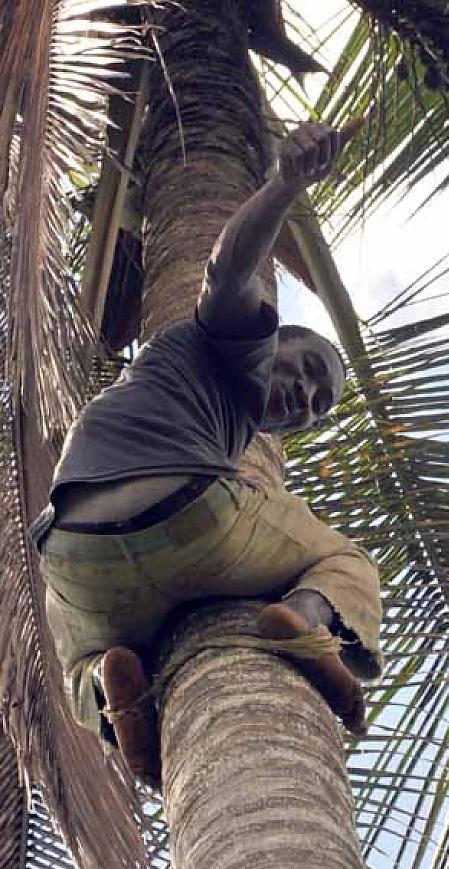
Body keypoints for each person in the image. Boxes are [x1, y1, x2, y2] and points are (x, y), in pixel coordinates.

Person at [31, 119, 381, 789]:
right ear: (274, 342)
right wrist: (285, 184)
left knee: (78, 659)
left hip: (76, 557)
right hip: (192, 517)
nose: (305, 397)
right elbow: (229, 268)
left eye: (318, 407)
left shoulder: (192, 394)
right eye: (306, 370)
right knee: (346, 558)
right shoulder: (230, 350)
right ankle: (302, 624)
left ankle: (118, 698)